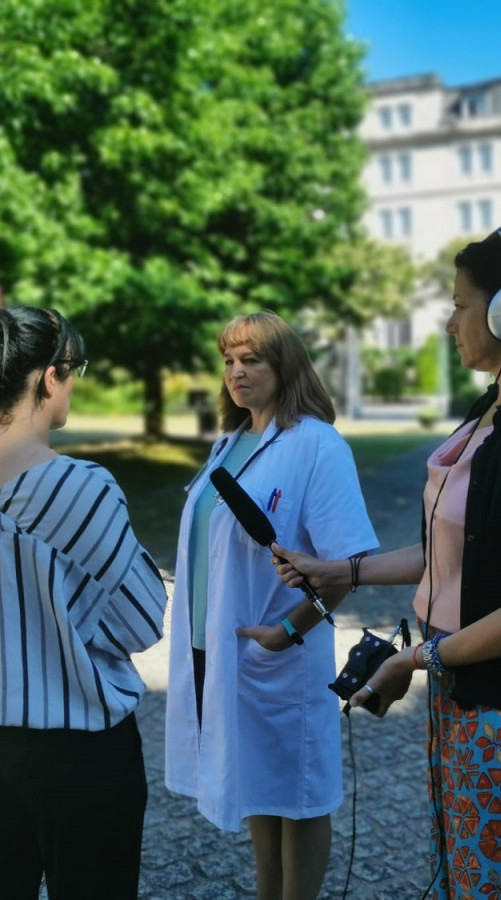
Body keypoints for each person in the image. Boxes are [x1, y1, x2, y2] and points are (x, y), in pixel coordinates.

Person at [273, 223, 501, 899]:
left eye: (459, 303)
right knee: (466, 877)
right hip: (465, 692)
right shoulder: (494, 411)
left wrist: (414, 660)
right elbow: (461, 548)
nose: (450, 322)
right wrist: (350, 571)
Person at [0, 301, 168, 899]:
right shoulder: (83, 487)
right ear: (50, 376)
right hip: (78, 744)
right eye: (74, 370)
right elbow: (141, 620)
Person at [164, 311, 378, 900]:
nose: (237, 371)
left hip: (281, 651)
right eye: (229, 360)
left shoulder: (316, 445)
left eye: (251, 359)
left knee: (300, 793)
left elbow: (346, 566)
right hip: (220, 645)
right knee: (257, 782)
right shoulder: (230, 443)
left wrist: (289, 628)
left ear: (284, 365)